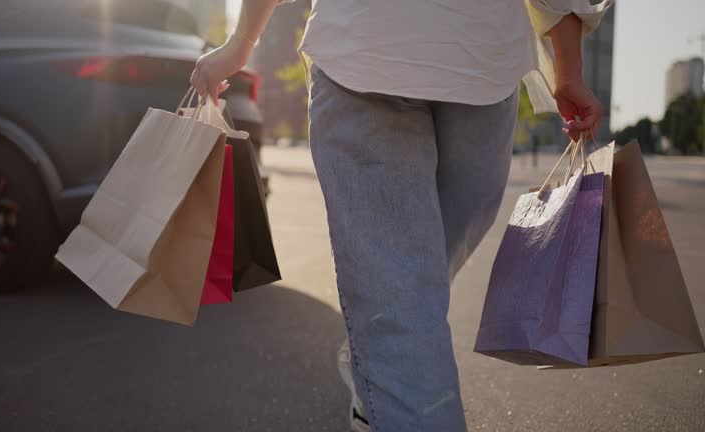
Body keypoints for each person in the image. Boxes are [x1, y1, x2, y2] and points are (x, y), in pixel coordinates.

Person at [191, 1, 612, 431]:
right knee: (400, 305)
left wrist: (570, 72)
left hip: (485, 73)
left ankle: (376, 363)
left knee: (416, 287)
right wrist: (241, 43)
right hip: (363, 61)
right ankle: (386, 359)